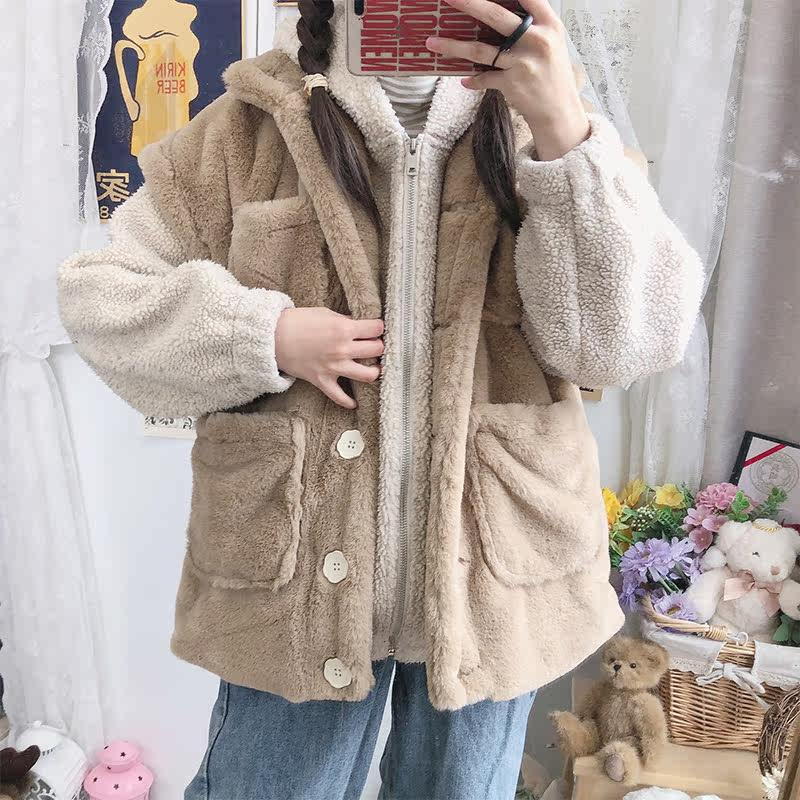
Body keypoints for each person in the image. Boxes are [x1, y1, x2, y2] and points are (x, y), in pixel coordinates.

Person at [58, 0, 702, 797]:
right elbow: (102, 298)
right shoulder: (250, 127)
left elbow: (625, 346)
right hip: (291, 580)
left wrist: (563, 131)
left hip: (495, 577)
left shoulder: (548, 129)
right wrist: (265, 335)